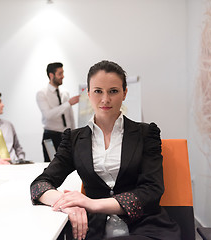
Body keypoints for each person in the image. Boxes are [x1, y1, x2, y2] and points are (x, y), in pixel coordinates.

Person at [30, 61, 180, 240]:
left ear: (125, 93)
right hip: (92, 231)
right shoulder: (74, 139)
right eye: (98, 91)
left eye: (113, 91)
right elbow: (39, 185)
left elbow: (152, 190)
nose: (105, 99)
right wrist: (67, 204)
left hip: (145, 227)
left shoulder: (146, 133)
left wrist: (92, 204)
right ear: (88, 93)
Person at [36, 62, 80, 162]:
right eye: (60, 74)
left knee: (69, 164)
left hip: (66, 136)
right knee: (51, 165)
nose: (63, 76)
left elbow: (70, 115)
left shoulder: (65, 92)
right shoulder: (42, 93)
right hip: (51, 136)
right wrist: (68, 103)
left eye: (63, 73)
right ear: (51, 75)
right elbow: (48, 115)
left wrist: (74, 134)